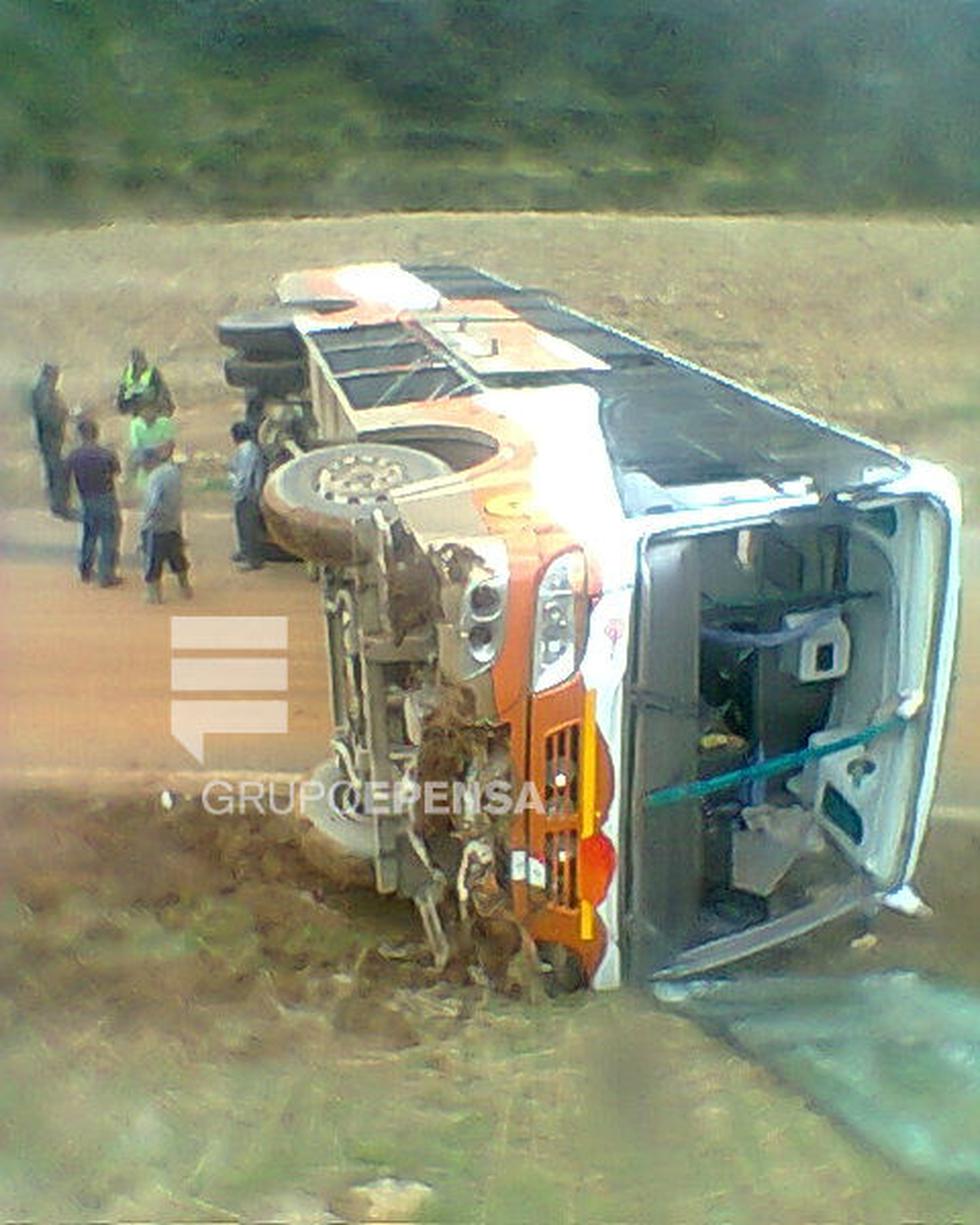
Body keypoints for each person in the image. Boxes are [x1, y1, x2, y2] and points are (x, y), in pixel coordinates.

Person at [63, 418, 122, 587]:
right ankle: (107, 575)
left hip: (86, 498)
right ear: (97, 433)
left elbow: (65, 477)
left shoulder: (74, 456)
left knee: (89, 535)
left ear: (80, 435)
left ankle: (86, 570)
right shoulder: (107, 453)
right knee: (109, 536)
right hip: (106, 497)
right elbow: (116, 471)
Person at [140, 441, 192, 604]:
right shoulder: (173, 472)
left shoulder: (155, 477)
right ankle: (185, 588)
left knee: (153, 562)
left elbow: (153, 504)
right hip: (173, 523)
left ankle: (154, 596)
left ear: (150, 461)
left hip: (157, 526)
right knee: (177, 558)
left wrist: (146, 524)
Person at [30, 362, 71, 517]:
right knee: (56, 472)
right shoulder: (44, 392)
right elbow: (48, 416)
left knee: (54, 472)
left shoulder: (45, 391)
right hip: (50, 439)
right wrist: (63, 414)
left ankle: (58, 505)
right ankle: (59, 506)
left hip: (51, 438)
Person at [228, 420, 268, 570]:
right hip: (246, 493)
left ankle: (253, 559)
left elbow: (245, 476)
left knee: (249, 526)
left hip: (248, 494)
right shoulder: (247, 448)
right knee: (242, 525)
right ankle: (245, 552)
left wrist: (239, 493)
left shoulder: (247, 450)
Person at [128, 400, 176, 491]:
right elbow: (136, 447)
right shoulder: (135, 424)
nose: (148, 413)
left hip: (162, 461)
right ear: (140, 412)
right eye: (145, 411)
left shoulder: (165, 423)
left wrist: (159, 457)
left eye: (151, 410)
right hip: (145, 462)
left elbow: (170, 444)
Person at [117, 347, 174, 417]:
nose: (137, 364)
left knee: (149, 393)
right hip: (135, 405)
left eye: (139, 360)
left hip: (151, 405)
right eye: (134, 361)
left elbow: (162, 390)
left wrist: (164, 408)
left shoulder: (152, 372)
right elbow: (122, 390)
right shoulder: (128, 372)